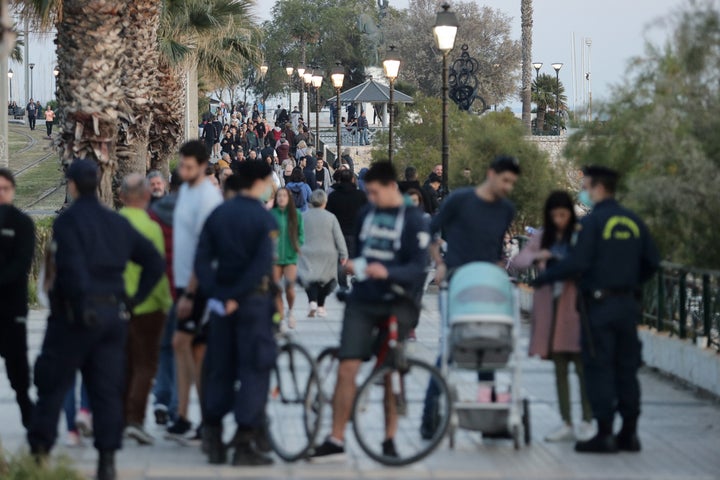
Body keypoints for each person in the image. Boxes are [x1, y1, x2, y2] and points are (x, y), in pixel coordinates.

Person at [28, 159, 164, 480]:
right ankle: (106, 461)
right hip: (111, 315)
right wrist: (133, 300)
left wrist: (77, 303)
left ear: (72, 185)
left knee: (53, 385)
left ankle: (40, 454)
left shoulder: (67, 222)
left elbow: (71, 269)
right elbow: (154, 262)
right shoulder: (115, 223)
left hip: (73, 317)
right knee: (105, 390)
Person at [533, 166, 660, 454]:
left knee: (599, 366)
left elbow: (577, 263)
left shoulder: (593, 223)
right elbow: (652, 261)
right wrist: (629, 283)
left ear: (599, 187)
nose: (585, 191)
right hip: (628, 305)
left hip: (599, 308)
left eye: (587, 186)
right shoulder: (633, 221)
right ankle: (629, 433)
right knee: (627, 368)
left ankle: (604, 434)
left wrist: (544, 277)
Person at [310, 162, 429, 461]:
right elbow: (363, 256)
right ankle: (336, 438)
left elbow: (418, 266)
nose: (371, 198)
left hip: (396, 302)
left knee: (389, 374)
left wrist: (386, 271)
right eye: (369, 192)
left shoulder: (413, 219)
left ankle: (389, 439)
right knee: (347, 367)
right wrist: (355, 266)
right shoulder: (366, 213)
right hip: (363, 300)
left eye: (375, 193)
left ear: (391, 187)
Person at [421, 155, 520, 439]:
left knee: (488, 351)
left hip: (487, 285)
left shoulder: (506, 209)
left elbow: (496, 249)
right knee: (450, 348)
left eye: (512, 183)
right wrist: (439, 262)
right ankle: (429, 415)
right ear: (491, 174)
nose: (508, 187)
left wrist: (502, 269)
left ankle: (488, 419)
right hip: (456, 283)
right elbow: (430, 230)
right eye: (505, 180)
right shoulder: (460, 200)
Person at [194, 161, 279, 466]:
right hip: (251, 305)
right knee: (254, 369)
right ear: (260, 181)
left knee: (221, 368)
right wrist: (236, 296)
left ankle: (213, 437)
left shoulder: (219, 214)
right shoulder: (262, 218)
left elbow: (202, 261)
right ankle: (245, 441)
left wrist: (218, 293)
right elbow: (260, 267)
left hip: (221, 306)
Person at [510, 192, 593, 442]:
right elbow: (518, 262)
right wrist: (538, 256)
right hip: (552, 311)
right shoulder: (542, 236)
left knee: (581, 367)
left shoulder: (579, 236)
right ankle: (566, 421)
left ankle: (588, 420)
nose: (559, 220)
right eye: (554, 215)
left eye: (563, 215)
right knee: (559, 369)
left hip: (575, 309)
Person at [167, 141, 223, 443]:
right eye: (181, 165)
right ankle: (186, 416)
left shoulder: (207, 198)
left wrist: (190, 293)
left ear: (203, 166)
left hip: (198, 284)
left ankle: (203, 419)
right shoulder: (187, 191)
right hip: (182, 283)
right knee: (184, 346)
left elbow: (204, 250)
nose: (183, 171)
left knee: (194, 350)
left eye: (188, 167)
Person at [119, 175, 173, 445]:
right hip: (149, 306)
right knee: (146, 365)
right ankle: (135, 419)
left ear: (121, 197)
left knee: (125, 363)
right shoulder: (151, 227)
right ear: (146, 196)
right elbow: (159, 269)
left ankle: (119, 416)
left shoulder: (114, 224)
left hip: (118, 304)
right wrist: (166, 304)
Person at [0, 168, 35, 430]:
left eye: (5, 189)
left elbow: (21, 264)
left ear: (12, 191)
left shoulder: (22, 223)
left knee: (18, 370)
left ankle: (29, 416)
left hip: (13, 308)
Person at [149, 171, 182, 427]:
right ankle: (174, 407)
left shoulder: (154, 215)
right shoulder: (193, 213)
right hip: (185, 292)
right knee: (180, 351)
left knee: (162, 348)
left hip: (159, 290)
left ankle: (162, 399)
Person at [298, 190, 348, 318]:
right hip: (328, 253)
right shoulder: (331, 217)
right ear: (325, 202)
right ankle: (321, 306)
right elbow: (338, 237)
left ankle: (312, 302)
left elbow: (297, 235)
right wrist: (343, 254)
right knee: (327, 281)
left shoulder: (303, 216)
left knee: (310, 279)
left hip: (307, 252)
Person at [326, 169, 368, 291]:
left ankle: (343, 284)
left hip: (338, 232)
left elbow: (329, 214)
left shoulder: (333, 196)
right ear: (352, 180)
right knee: (356, 257)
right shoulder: (361, 196)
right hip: (356, 232)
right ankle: (357, 279)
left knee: (341, 259)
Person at [271, 187, 304, 329]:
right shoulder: (271, 214)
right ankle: (280, 318)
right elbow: (267, 234)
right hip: (275, 258)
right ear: (276, 198)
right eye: (279, 196)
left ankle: (291, 312)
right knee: (276, 289)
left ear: (289, 198)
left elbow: (301, 234)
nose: (282, 198)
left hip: (291, 257)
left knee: (289, 287)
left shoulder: (296, 214)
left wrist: (298, 245)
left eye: (284, 195)